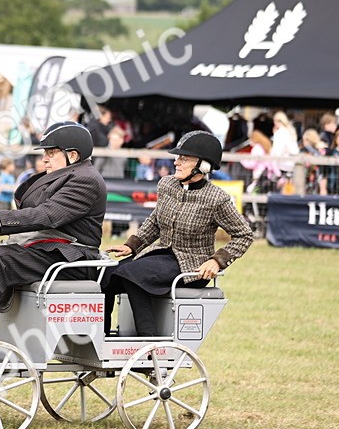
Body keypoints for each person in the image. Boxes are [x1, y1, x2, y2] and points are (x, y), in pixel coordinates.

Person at [0, 122, 107, 342]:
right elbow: (32, 211)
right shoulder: (62, 174)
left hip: (70, 256)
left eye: (51, 153)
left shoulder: (87, 180)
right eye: (45, 153)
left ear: (72, 155)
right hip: (42, 247)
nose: (44, 158)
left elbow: (46, 215)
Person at [102, 131, 253, 337]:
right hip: (160, 256)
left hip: (192, 265)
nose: (176, 163)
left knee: (132, 276)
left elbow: (244, 235)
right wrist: (132, 245)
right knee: (106, 277)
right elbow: (155, 220)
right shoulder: (166, 184)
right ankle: (102, 342)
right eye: (177, 157)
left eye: (184, 158)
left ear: (203, 165)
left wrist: (217, 261)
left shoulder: (217, 199)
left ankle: (150, 344)